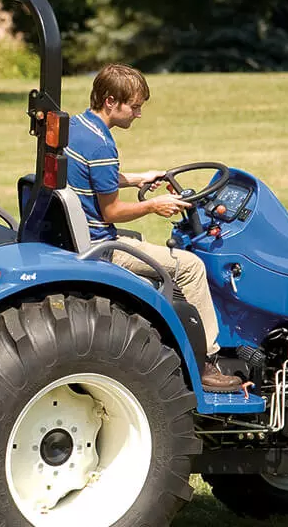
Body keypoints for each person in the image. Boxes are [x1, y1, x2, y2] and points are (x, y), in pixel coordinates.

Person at [66, 64, 245, 393]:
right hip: (101, 246)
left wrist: (138, 178)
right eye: (134, 107)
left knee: (162, 254)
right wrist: (153, 205)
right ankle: (206, 362)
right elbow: (112, 210)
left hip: (79, 236)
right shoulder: (102, 146)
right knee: (191, 266)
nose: (138, 114)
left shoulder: (77, 128)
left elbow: (94, 179)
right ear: (110, 101)